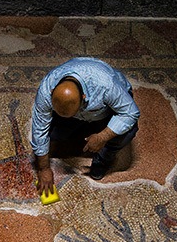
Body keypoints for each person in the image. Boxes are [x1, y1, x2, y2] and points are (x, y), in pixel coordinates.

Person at [31, 57, 140, 194]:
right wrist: (43, 168)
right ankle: (81, 128)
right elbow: (39, 129)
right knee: (54, 134)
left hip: (108, 110)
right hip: (80, 113)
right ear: (52, 92)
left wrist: (103, 136)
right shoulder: (46, 89)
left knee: (128, 132)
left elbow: (131, 113)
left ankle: (102, 159)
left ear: (83, 97)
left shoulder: (106, 85)